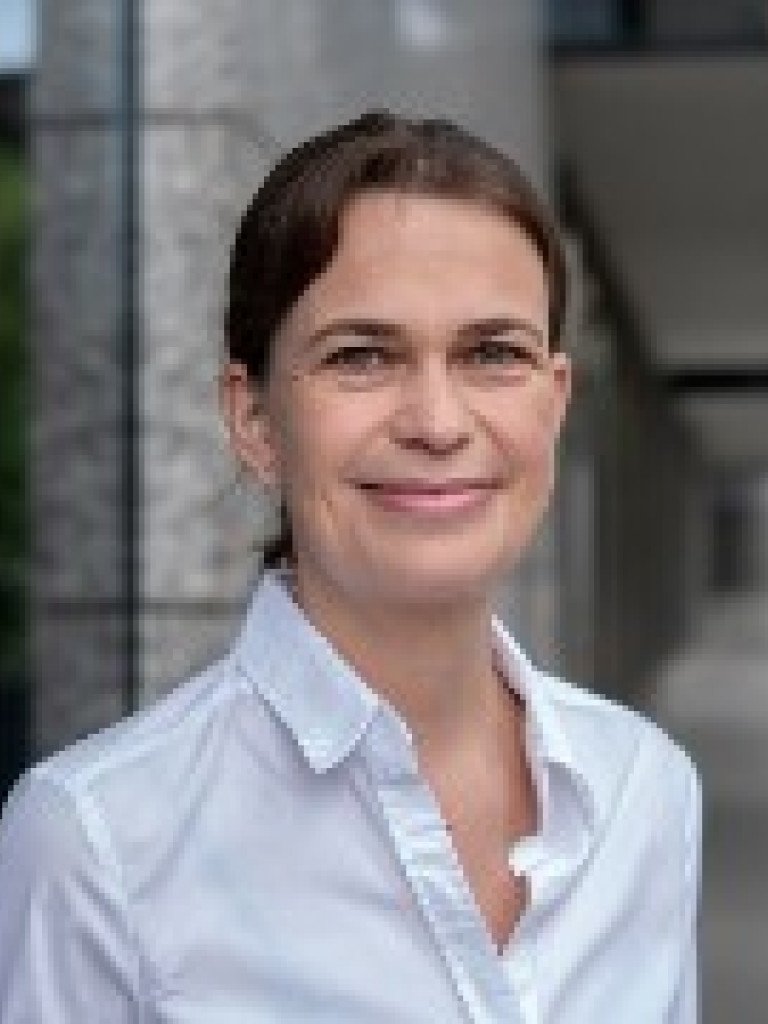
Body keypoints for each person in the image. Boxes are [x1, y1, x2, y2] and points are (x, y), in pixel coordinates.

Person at [0, 110, 701, 1022]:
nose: (439, 423)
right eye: (362, 356)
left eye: (493, 353)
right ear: (253, 420)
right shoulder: (98, 841)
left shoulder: (645, 792)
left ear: (556, 400)